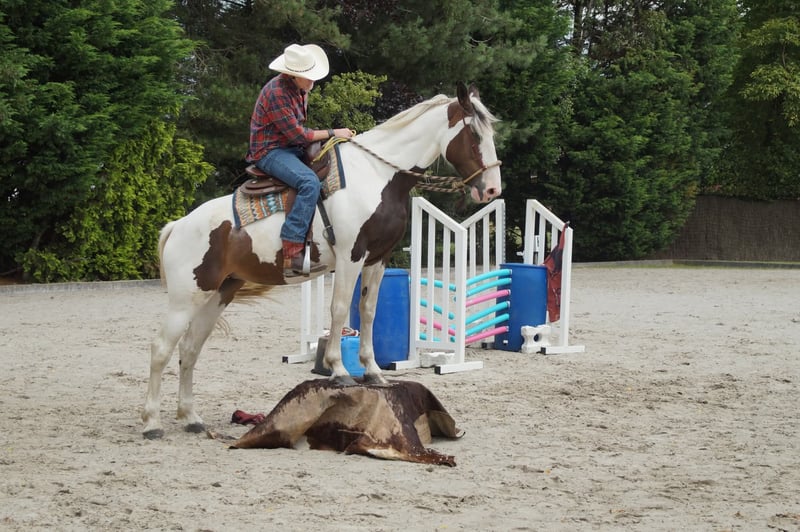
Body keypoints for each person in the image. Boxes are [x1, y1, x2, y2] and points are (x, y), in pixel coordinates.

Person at [246, 43, 354, 277]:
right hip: (269, 151)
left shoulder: (300, 88)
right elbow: (298, 135)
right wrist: (334, 133)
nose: (312, 80)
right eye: (308, 76)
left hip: (289, 147)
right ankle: (292, 251)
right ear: (293, 75)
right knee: (308, 182)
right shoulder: (277, 93)